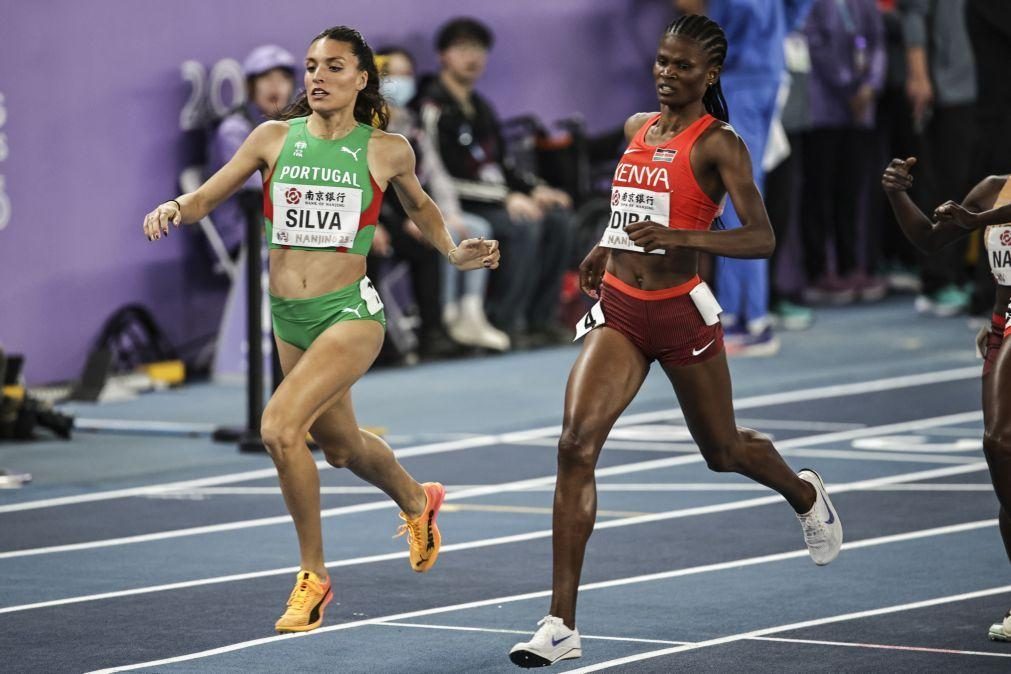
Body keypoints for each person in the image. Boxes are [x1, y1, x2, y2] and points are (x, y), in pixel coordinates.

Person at [508, 15, 842, 668]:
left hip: (681, 315)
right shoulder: (637, 129)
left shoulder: (718, 144)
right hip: (622, 312)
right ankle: (559, 624)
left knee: (721, 450)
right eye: (662, 62)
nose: (667, 73)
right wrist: (603, 245)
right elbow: (630, 204)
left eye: (682, 66)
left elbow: (760, 238)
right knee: (574, 445)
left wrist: (685, 239)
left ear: (708, 74)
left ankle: (802, 492)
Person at [142, 25, 499, 634]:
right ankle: (417, 499)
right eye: (311, 66)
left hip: (350, 314)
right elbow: (207, 195)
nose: (317, 77)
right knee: (340, 448)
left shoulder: (386, 149)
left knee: (281, 429)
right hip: (290, 317)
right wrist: (176, 208)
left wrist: (451, 250)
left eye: (334, 67)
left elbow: (419, 206)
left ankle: (314, 576)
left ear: (362, 79)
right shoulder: (272, 138)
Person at [882, 156, 1011, 642]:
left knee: (1001, 444)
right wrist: (897, 194)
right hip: (1004, 329)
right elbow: (929, 239)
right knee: (1004, 460)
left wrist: (980, 222)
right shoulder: (995, 188)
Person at [417, 17, 576, 346]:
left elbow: (501, 165)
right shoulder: (431, 107)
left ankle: (540, 319)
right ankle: (507, 320)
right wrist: (506, 199)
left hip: (494, 197)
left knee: (559, 219)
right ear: (443, 56)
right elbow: (439, 176)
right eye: (462, 49)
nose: (472, 57)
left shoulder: (481, 107)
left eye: (478, 49)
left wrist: (535, 189)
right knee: (521, 224)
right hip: (461, 206)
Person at [376, 46, 509, 352]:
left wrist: (449, 214)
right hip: (384, 219)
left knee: (470, 230)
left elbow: (436, 176)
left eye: (408, 74)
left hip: (416, 213)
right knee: (430, 240)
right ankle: (438, 321)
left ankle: (465, 315)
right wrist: (400, 220)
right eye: (394, 74)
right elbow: (373, 184)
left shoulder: (413, 124)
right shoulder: (370, 127)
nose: (403, 80)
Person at [801, 0, 887, 305]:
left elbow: (878, 43)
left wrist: (870, 86)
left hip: (859, 112)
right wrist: (850, 86)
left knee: (851, 192)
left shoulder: (865, 4)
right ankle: (818, 271)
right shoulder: (813, 5)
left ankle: (852, 266)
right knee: (819, 192)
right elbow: (815, 46)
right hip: (824, 109)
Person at [900, 0, 977, 317]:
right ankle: (936, 279)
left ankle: (962, 273)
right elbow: (914, 16)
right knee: (945, 184)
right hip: (947, 90)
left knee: (977, 185)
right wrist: (919, 76)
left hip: (983, 88)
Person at [207, 45, 298, 258]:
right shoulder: (233, 131)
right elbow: (261, 193)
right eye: (266, 78)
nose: (275, 85)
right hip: (242, 233)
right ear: (251, 87)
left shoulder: (291, 128)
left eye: (283, 78)